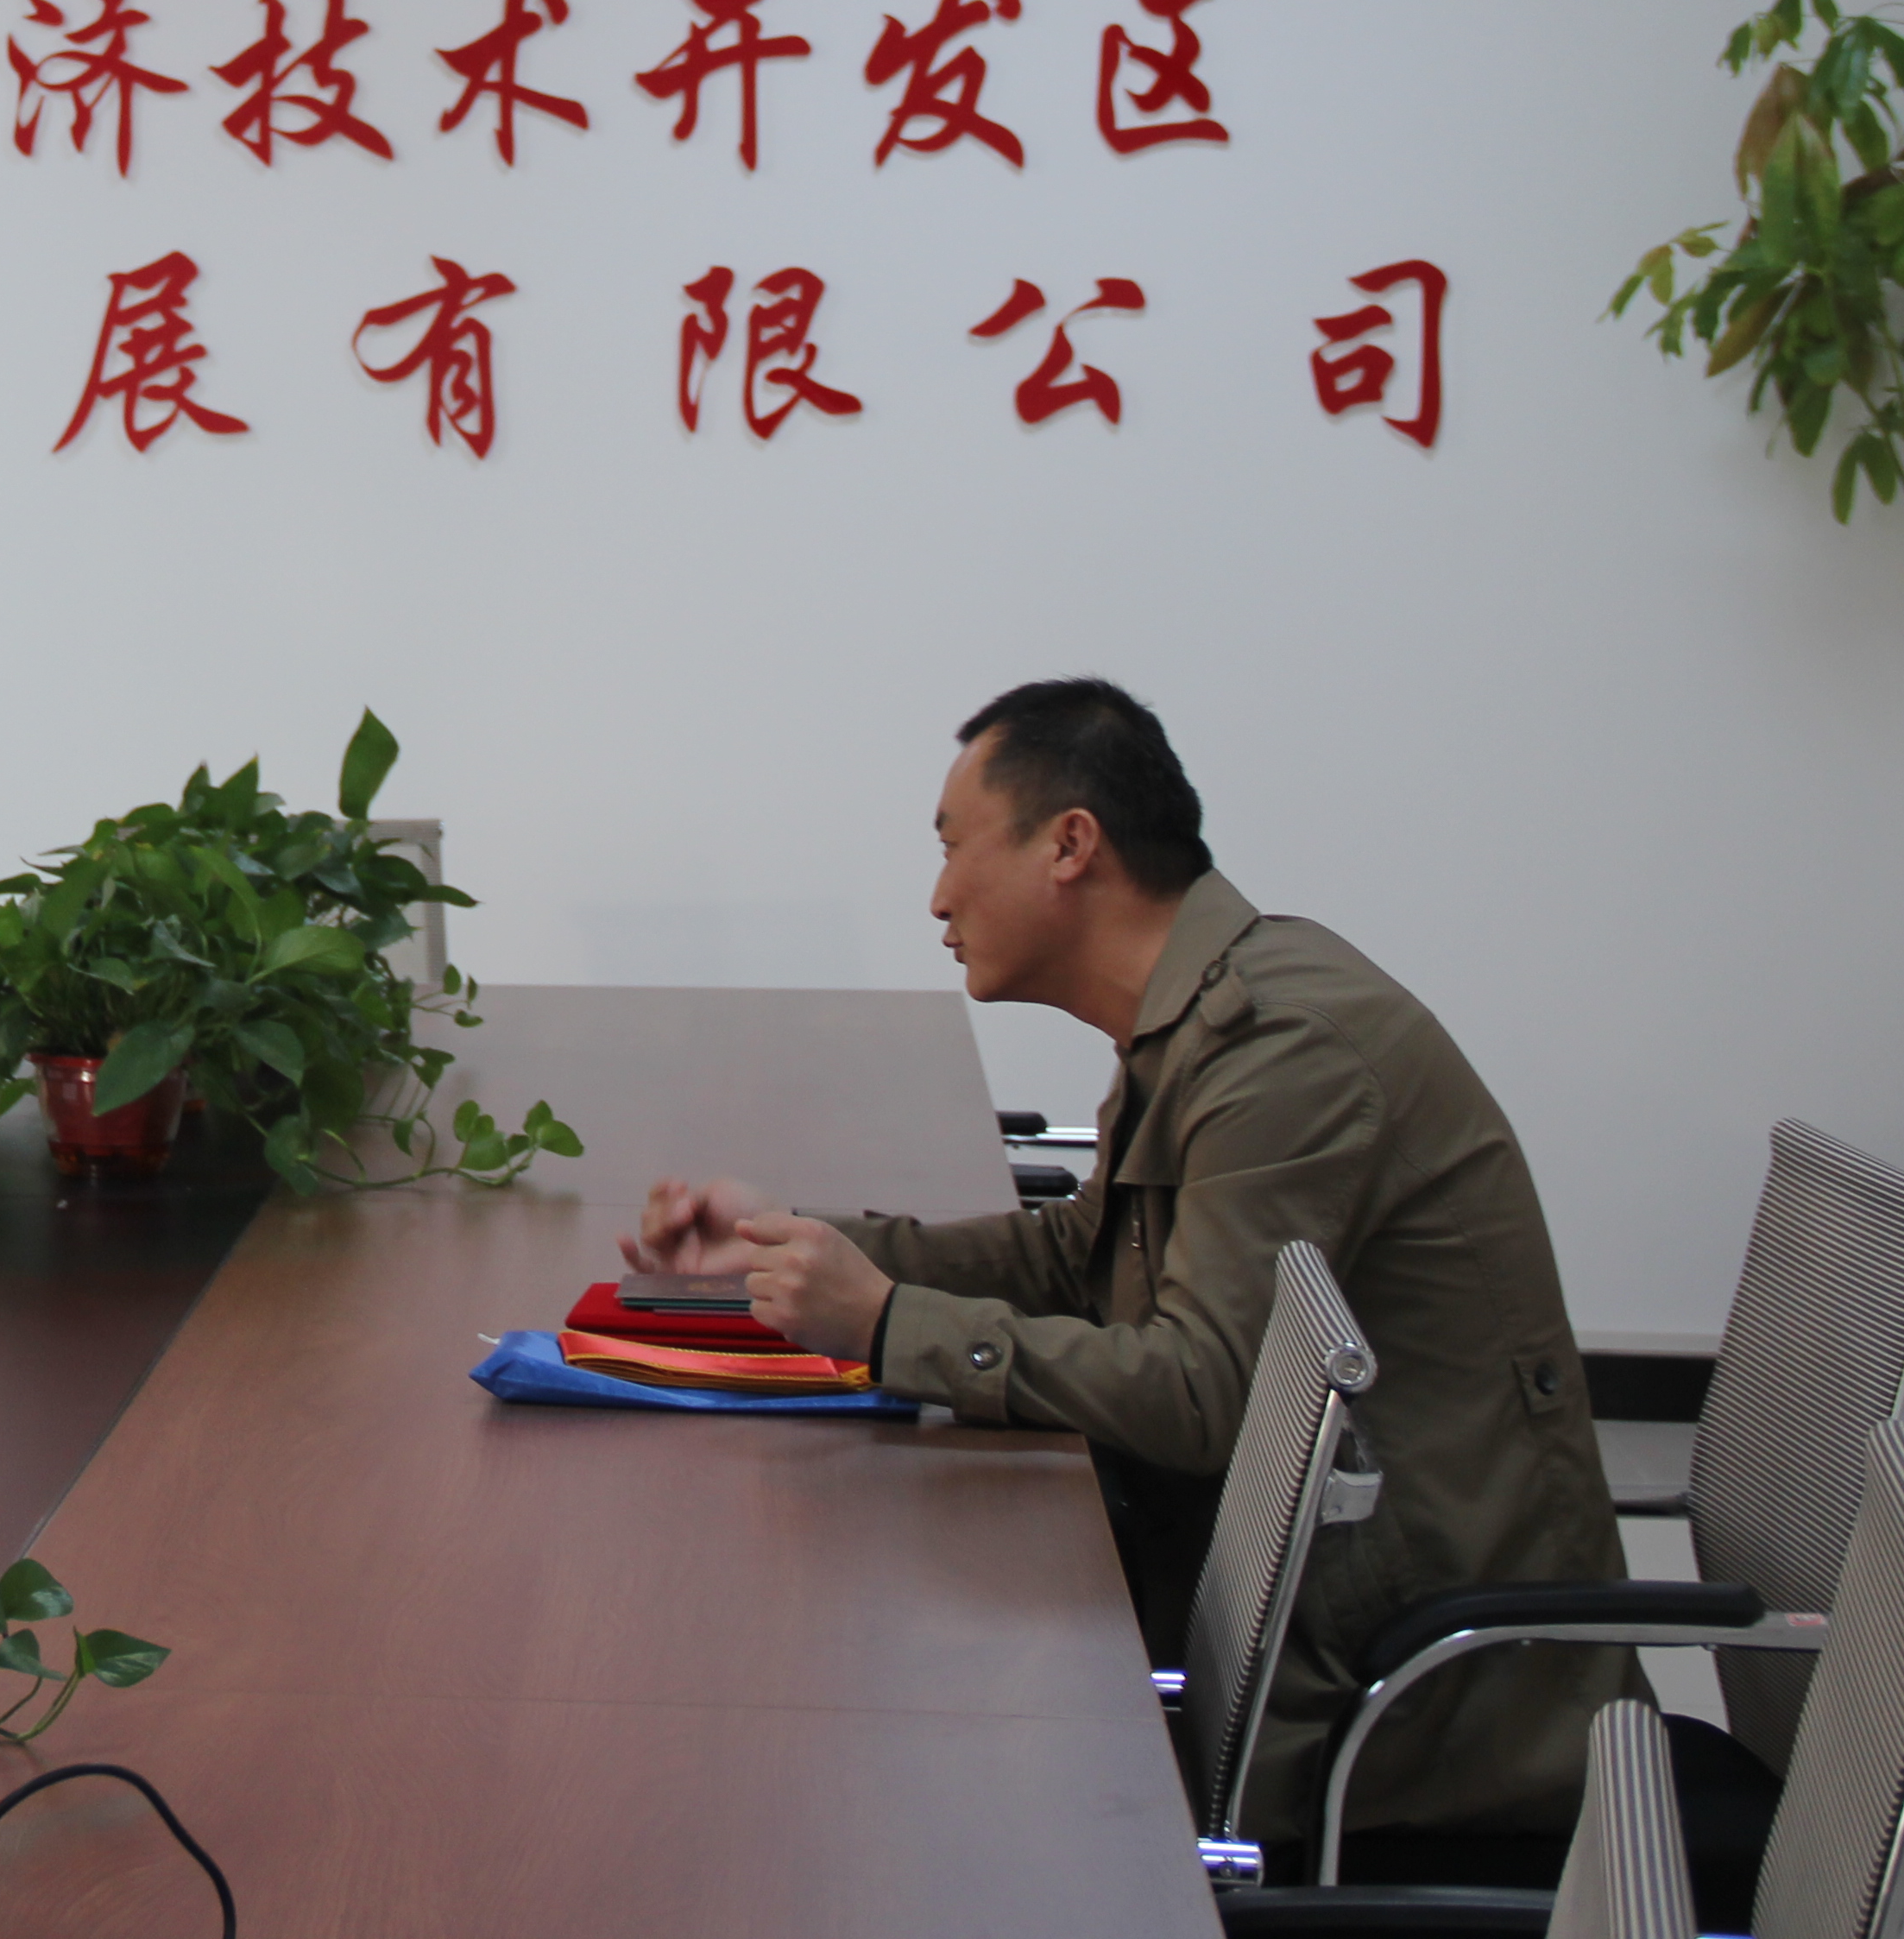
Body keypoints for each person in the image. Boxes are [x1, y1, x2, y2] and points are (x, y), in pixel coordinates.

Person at [622, 679, 1627, 1859]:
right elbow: (1075, 1256)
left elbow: (1204, 1394)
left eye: (952, 848)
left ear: (1070, 845)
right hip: (1301, 1618)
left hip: (1419, 1720)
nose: (938, 897)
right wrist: (794, 1243)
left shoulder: (1282, 1054)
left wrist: (890, 1325)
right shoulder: (1202, 1011)